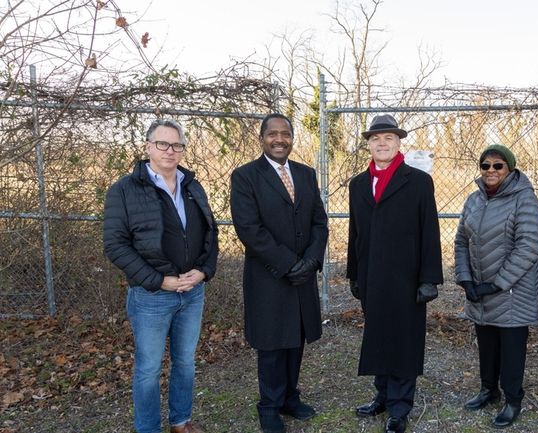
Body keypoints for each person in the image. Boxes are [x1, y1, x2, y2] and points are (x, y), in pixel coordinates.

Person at [103, 119, 218, 433]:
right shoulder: (124, 190)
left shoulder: (192, 186)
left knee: (185, 363)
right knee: (149, 369)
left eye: (177, 145)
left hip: (192, 293)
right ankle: (148, 428)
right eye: (162, 144)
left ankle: (180, 421)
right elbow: (115, 245)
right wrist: (157, 280)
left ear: (182, 149)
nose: (170, 150)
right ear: (147, 147)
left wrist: (204, 271)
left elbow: (211, 234)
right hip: (151, 296)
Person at [230, 113, 328, 433]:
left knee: (295, 337)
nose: (279, 139)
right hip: (270, 276)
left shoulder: (306, 174)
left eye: (285, 134)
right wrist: (288, 264)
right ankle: (269, 405)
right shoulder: (246, 177)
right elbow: (249, 229)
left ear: (292, 138)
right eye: (272, 134)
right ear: (262, 138)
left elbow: (318, 223)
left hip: (303, 274)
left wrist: (311, 261)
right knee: (272, 342)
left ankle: (289, 397)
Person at [346, 114, 443, 433]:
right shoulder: (359, 184)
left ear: (399, 142)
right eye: (376, 138)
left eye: (388, 137)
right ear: (369, 145)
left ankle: (400, 407)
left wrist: (429, 277)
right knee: (378, 336)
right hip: (372, 273)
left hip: (407, 276)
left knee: (403, 339)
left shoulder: (417, 181)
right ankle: (383, 396)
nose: (382, 143)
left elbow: (429, 229)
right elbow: (355, 232)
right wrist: (354, 274)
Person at [454, 144, 538, 428]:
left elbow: (528, 246)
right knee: (487, 344)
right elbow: (460, 242)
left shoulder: (524, 199)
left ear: (510, 169)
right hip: (479, 287)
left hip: (512, 291)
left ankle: (513, 400)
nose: (491, 170)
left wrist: (496, 284)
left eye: (498, 165)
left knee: (511, 350)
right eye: (485, 165)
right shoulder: (474, 199)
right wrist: (465, 278)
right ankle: (488, 390)